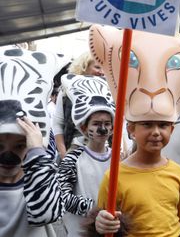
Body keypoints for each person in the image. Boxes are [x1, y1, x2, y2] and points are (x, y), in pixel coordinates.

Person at [89, 24, 180, 236]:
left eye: (163, 125)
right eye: (146, 124)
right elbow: (103, 223)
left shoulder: (178, 174)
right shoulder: (114, 177)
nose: (156, 131)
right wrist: (101, 223)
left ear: (172, 130)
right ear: (131, 129)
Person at [0, 47, 65, 236]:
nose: (8, 154)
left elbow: (47, 213)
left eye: (20, 145)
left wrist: (37, 152)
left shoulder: (35, 180)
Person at [57, 75, 115, 236]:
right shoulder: (72, 158)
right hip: (80, 231)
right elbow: (63, 196)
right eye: (96, 124)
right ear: (84, 127)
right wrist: (98, 208)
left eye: (107, 124)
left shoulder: (118, 159)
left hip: (109, 230)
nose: (102, 129)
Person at [53, 52, 104, 158]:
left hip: (103, 152)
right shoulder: (66, 90)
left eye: (104, 68)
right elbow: (57, 124)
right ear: (84, 67)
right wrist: (64, 155)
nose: (102, 72)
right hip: (74, 150)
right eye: (98, 67)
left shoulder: (108, 91)